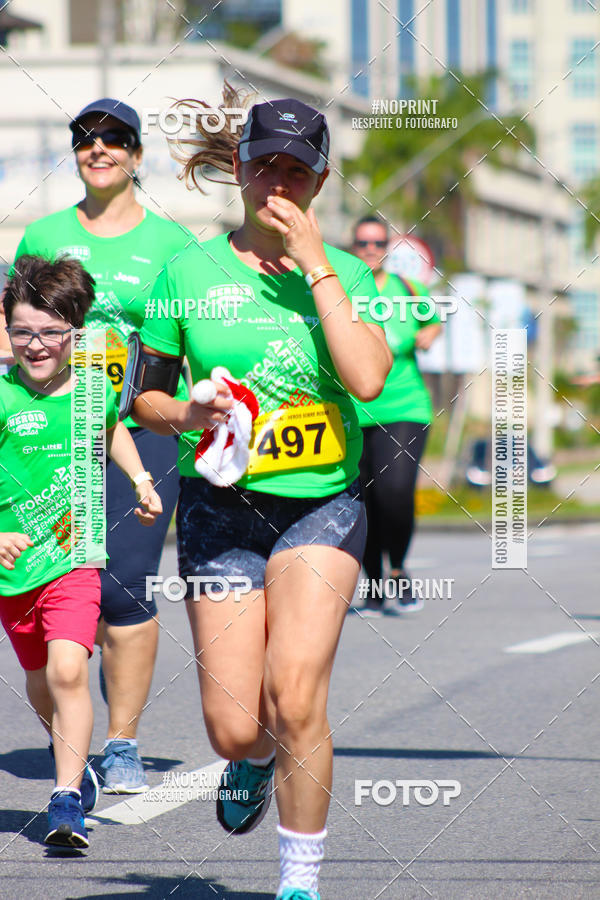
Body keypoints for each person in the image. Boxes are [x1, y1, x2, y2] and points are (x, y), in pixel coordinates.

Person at [129, 91, 392, 900]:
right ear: (239, 168)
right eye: (265, 164)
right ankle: (250, 759)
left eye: (297, 171)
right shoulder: (186, 273)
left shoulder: (348, 273)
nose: (279, 183)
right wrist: (192, 413)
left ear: (320, 182)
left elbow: (368, 379)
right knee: (236, 725)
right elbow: (144, 399)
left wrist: (317, 265)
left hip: (321, 505)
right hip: (220, 509)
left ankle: (299, 882)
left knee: (297, 695)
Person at [12, 99, 192, 792]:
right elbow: (17, 329)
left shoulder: (172, 243)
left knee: (124, 585)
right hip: (54, 437)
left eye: (114, 139)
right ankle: (70, 739)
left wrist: (202, 419)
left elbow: (188, 339)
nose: (99, 148)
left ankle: (122, 742)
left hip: (139, 429)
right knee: (44, 590)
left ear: (137, 155)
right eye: (85, 139)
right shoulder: (45, 234)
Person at [0, 255, 162, 847]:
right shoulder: (2, 396)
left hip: (75, 554)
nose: (36, 345)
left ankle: (64, 799)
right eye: (22, 331)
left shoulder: (95, 387)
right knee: (40, 679)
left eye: (50, 332)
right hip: (13, 569)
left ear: (75, 331)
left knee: (69, 669)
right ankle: (70, 756)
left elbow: (111, 429)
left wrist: (141, 478)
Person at [351, 216, 441, 615]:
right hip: (354, 409)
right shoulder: (342, 290)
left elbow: (433, 322)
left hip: (405, 405)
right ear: (353, 246)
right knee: (364, 499)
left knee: (396, 491)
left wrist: (427, 335)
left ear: (387, 248)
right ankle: (373, 584)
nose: (371, 249)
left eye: (378, 243)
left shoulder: (409, 289)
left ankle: (399, 569)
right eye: (363, 243)